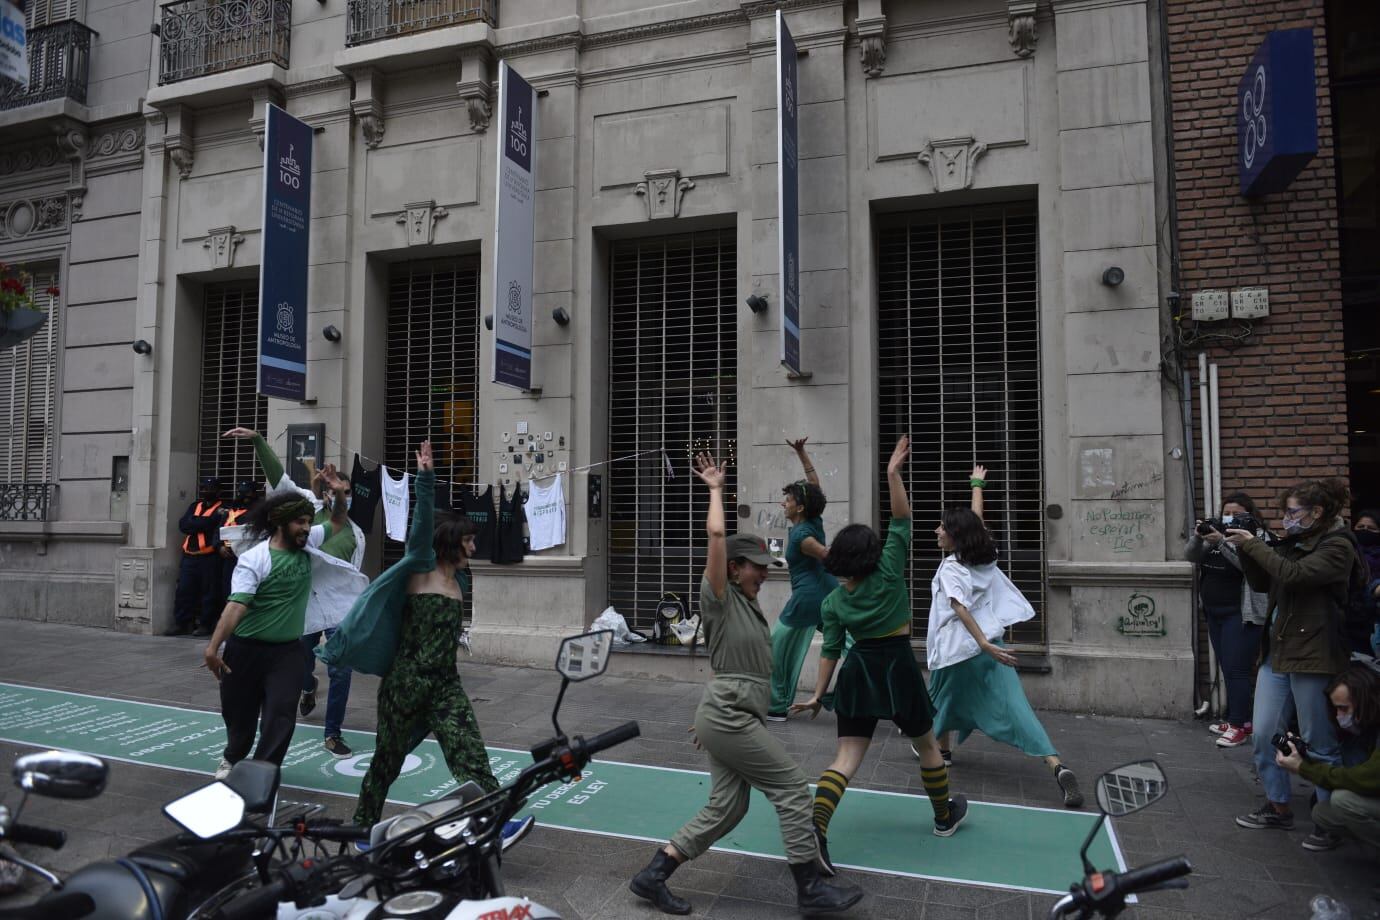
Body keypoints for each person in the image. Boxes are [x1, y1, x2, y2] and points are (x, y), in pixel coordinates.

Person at [629, 452, 863, 917]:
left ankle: (652, 875)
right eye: (755, 565)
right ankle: (810, 888)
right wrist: (716, 488)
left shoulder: (748, 606)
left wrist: (707, 717)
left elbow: (725, 664)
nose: (763, 572)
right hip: (731, 714)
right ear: (733, 568)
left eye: (764, 565)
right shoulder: (718, 596)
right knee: (794, 790)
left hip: (727, 713)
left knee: (727, 809)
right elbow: (717, 535)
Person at [322, 442, 530, 852]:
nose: (474, 548)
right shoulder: (419, 569)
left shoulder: (460, 581)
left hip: (445, 684)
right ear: (450, 543)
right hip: (406, 684)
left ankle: (495, 819)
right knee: (387, 760)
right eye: (468, 541)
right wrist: (427, 478)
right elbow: (420, 528)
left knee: (470, 752)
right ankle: (364, 829)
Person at [791, 436, 968, 874]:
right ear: (872, 553)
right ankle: (944, 816)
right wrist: (892, 473)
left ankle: (816, 829)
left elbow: (831, 651)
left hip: (858, 671)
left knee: (846, 758)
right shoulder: (890, 569)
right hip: (898, 666)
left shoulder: (834, 604)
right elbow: (902, 519)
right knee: (926, 743)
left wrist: (817, 694)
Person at [925, 464, 1084, 808]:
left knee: (941, 700)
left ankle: (943, 752)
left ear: (955, 536)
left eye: (942, 528)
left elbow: (958, 606)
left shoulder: (953, 567)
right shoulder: (986, 554)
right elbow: (976, 523)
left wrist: (981, 643)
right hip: (994, 646)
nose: (937, 531)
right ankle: (1056, 765)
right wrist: (978, 485)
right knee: (1017, 709)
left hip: (957, 649)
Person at [1226, 478, 1364, 832]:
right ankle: (1278, 806)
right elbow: (1263, 582)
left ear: (1317, 512)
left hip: (1315, 653)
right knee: (1263, 733)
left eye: (1292, 512)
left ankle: (1329, 819)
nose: (1286, 519)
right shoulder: (1296, 541)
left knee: (1319, 740)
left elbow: (1296, 575)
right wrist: (1243, 546)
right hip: (1279, 651)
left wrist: (1256, 545)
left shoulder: (1338, 546)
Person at [203, 468, 358, 775]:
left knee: (280, 715)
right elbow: (236, 607)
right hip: (244, 651)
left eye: (308, 522)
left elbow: (338, 521)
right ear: (279, 523)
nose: (306, 528)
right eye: (299, 522)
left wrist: (339, 493)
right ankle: (233, 757)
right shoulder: (255, 559)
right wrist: (213, 648)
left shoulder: (308, 542)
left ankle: (262, 771)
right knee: (240, 717)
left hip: (287, 652)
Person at [225, 426, 365, 758]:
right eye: (334, 488)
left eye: (344, 490)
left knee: (341, 668)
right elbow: (279, 479)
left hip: (337, 612)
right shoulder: (305, 506)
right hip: (300, 607)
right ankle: (306, 686)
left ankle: (332, 733)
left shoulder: (354, 534)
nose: (338, 493)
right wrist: (259, 441)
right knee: (300, 664)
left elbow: (351, 578)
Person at [1185, 492, 1269, 748]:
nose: (1230, 517)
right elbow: (1191, 556)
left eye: (1236, 513)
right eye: (1227, 512)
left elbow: (1246, 566)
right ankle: (1239, 721)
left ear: (1249, 513)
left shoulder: (1257, 537)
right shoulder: (1217, 533)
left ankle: (1238, 726)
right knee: (1227, 668)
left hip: (1240, 615)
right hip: (1214, 611)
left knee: (1238, 670)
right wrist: (1199, 537)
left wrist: (1222, 541)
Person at [767, 437, 841, 721]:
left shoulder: (801, 534)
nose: (781, 503)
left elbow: (825, 554)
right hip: (829, 593)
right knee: (857, 646)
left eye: (786, 500)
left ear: (799, 507)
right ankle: (895, 702)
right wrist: (801, 452)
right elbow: (815, 484)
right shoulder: (813, 519)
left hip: (808, 599)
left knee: (775, 646)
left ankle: (776, 706)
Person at [1275, 662, 1380, 852]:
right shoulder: (1364, 729)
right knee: (1324, 813)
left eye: (1344, 708)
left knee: (1343, 801)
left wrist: (1303, 768)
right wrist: (1304, 756)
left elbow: (1368, 778)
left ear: (1365, 700)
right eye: (1336, 709)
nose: (1340, 716)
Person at [172, 477, 229, 637]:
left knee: (209, 592)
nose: (206, 491)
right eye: (204, 488)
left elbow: (213, 524)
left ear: (218, 491)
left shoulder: (223, 509)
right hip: (189, 556)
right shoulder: (194, 506)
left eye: (210, 488)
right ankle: (182, 624)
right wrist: (202, 523)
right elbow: (183, 525)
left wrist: (196, 523)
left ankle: (206, 625)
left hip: (209, 557)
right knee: (184, 591)